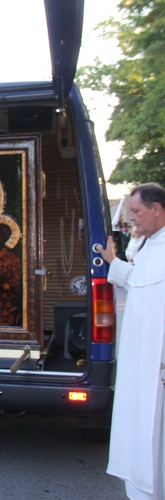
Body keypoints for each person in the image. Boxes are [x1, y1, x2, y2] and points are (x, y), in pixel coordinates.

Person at [102, 183, 165, 500]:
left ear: (157, 209)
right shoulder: (151, 244)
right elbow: (141, 282)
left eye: (137, 212)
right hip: (144, 363)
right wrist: (112, 262)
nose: (133, 220)